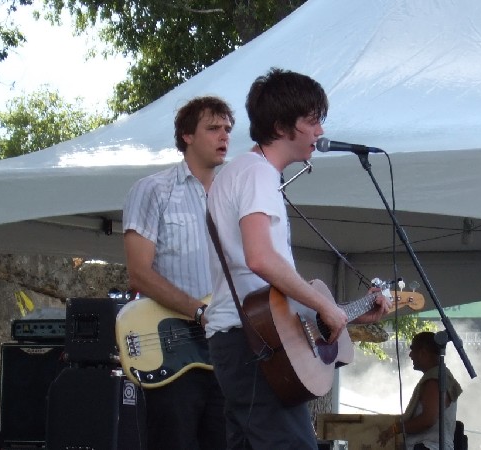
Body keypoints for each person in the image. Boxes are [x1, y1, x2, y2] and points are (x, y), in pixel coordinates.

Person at [205, 67, 390, 450]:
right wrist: (325, 304)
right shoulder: (258, 175)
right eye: (312, 120)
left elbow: (272, 294)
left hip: (242, 344)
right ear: (281, 126)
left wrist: (342, 311)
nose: (321, 131)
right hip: (253, 348)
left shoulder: (237, 172)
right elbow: (259, 258)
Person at [122, 96, 234, 450]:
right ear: (187, 135)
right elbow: (138, 273)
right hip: (173, 352)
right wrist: (198, 311)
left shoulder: (235, 196)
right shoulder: (154, 190)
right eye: (213, 128)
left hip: (225, 356)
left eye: (228, 129)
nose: (224, 136)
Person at [377, 331, 463, 450]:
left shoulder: (434, 380)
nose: (410, 355)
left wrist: (395, 428)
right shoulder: (440, 376)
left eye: (413, 350)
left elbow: (428, 419)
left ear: (423, 353)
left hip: (429, 446)